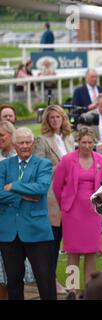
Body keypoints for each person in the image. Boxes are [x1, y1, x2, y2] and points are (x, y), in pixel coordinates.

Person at [0, 127, 56, 300]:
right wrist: (25, 195)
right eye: (21, 142)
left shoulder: (43, 164)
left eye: (28, 142)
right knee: (14, 281)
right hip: (9, 232)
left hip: (37, 230)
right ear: (14, 145)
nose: (25, 146)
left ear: (33, 144)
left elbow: (41, 189)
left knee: (45, 279)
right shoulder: (3, 165)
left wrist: (14, 186)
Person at [53, 127, 102, 294]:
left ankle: (90, 290)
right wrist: (65, 205)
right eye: (84, 142)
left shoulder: (101, 160)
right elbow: (57, 186)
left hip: (93, 212)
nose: (87, 145)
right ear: (78, 142)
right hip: (72, 212)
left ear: (94, 143)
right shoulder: (67, 160)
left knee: (91, 252)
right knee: (73, 252)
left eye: (90, 142)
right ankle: (72, 289)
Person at [34, 105, 75, 294]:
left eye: (58, 117)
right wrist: (61, 170)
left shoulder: (69, 138)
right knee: (53, 242)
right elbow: (38, 169)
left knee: (74, 245)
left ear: (63, 118)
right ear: (47, 121)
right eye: (51, 118)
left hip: (72, 196)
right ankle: (52, 281)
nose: (55, 120)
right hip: (52, 198)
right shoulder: (42, 140)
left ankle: (73, 283)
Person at [0, 123, 35, 300]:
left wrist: (14, 190)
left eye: (2, 135)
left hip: (19, 223)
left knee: (12, 274)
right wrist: (23, 194)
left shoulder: (22, 160)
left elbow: (36, 189)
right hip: (5, 222)